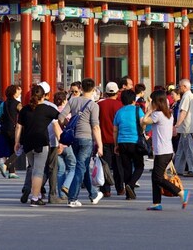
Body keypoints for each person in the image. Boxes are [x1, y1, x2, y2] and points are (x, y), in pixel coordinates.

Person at [140, 90, 188, 211]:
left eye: (152, 101)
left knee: (157, 178)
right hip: (166, 150)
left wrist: (149, 111)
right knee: (155, 177)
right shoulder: (168, 114)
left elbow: (143, 122)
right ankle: (156, 203)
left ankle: (181, 193)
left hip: (162, 152)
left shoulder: (157, 115)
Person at [14, 85, 61, 206]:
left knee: (34, 168)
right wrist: (61, 140)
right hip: (41, 142)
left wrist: (17, 142)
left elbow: (19, 126)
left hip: (27, 143)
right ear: (44, 96)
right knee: (38, 172)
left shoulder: (25, 109)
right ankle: (35, 198)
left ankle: (38, 194)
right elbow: (59, 119)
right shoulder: (47, 108)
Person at [66, 78, 103, 207]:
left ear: (81, 88)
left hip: (74, 139)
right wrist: (100, 145)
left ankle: (93, 194)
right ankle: (72, 198)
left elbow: (61, 117)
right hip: (87, 139)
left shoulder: (72, 101)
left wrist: (68, 126)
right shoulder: (94, 105)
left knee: (84, 167)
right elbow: (95, 126)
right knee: (80, 168)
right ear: (93, 89)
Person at [113, 89, 143, 200]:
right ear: (133, 99)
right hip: (135, 142)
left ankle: (129, 194)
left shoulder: (119, 112)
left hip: (122, 142)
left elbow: (115, 130)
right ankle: (131, 185)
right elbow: (143, 123)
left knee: (127, 168)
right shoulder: (137, 110)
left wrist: (116, 144)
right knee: (140, 166)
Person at [96, 81, 123, 197]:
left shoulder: (99, 105)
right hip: (117, 140)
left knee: (105, 165)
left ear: (106, 93)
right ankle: (120, 188)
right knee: (118, 166)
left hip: (103, 139)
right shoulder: (120, 105)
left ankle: (105, 189)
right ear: (117, 92)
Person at [173, 79, 193, 178]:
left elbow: (183, 112)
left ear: (184, 87)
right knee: (181, 149)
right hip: (190, 127)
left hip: (186, 128)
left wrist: (177, 124)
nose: (179, 88)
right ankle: (178, 169)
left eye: (180, 86)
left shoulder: (186, 97)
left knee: (188, 150)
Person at [0, 85, 21, 179]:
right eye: (18, 90)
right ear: (14, 92)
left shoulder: (4, 103)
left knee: (12, 149)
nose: (19, 92)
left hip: (5, 128)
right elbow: (23, 114)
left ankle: (11, 172)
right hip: (14, 129)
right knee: (19, 148)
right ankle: (5, 164)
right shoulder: (17, 103)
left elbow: (0, 115)